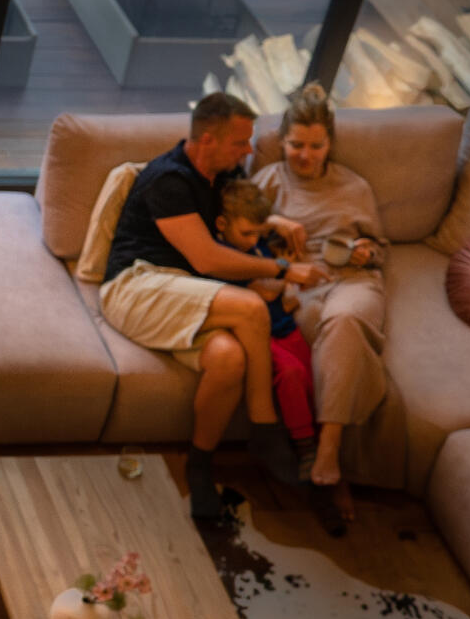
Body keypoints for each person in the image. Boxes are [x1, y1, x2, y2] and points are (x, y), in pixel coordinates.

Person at [98, 91, 323, 522]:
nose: (249, 150)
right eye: (240, 142)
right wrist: (282, 268)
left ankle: (199, 465)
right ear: (207, 140)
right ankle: (264, 427)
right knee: (251, 308)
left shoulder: (223, 176)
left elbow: (241, 216)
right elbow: (206, 258)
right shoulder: (169, 181)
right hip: (137, 286)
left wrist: (275, 221)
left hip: (187, 292)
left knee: (229, 358)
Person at [252, 82, 391, 530]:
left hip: (352, 280)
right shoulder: (267, 181)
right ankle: (332, 472)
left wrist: (367, 252)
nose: (305, 155)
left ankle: (327, 451)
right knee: (321, 335)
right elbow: (236, 234)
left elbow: (380, 248)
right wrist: (273, 222)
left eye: (316, 146)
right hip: (299, 285)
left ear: (330, 144)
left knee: (346, 320)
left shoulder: (354, 186)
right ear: (281, 141)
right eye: (296, 145)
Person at [213, 178, 317, 461]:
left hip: (286, 327)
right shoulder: (224, 256)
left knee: (313, 375)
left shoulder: (260, 244)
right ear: (222, 224)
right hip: (260, 335)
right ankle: (305, 445)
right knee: (291, 374)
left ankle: (319, 441)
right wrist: (287, 273)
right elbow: (266, 291)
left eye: (257, 234)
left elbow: (277, 285)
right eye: (246, 233)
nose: (252, 241)